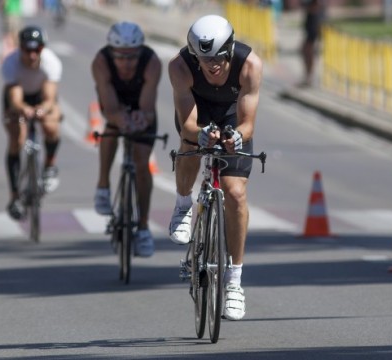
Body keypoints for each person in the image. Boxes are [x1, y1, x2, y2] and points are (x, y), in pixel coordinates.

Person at [168, 14, 263, 320]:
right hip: (199, 115)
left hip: (233, 117)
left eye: (219, 56)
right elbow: (187, 125)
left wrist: (236, 136)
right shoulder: (180, 66)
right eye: (204, 57)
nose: (212, 64)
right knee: (190, 147)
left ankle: (234, 282)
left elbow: (248, 124)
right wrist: (201, 134)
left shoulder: (249, 65)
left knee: (235, 194)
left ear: (230, 48)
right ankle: (184, 205)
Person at [91, 22, 162, 257]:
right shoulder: (101, 62)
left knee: (142, 163)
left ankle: (142, 227)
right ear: (112, 52)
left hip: (141, 104)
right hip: (115, 102)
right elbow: (110, 108)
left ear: (140, 52)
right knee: (111, 129)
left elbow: (148, 108)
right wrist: (122, 120)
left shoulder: (151, 62)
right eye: (120, 57)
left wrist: (141, 120)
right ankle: (103, 185)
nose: (126, 63)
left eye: (132, 57)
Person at [1, 25, 63, 220]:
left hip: (41, 97)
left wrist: (44, 109)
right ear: (20, 49)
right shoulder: (10, 64)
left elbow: (50, 96)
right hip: (18, 99)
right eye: (27, 50)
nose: (32, 55)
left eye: (37, 50)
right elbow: (15, 98)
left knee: (51, 126)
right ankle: (14, 196)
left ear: (43, 49)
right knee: (17, 139)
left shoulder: (51, 63)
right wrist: (23, 109)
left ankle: (49, 166)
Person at [299, 0, 323, 87]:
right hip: (311, 24)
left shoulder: (316, 12)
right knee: (306, 53)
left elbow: (317, 4)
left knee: (309, 53)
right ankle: (308, 76)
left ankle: (309, 77)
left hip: (313, 26)